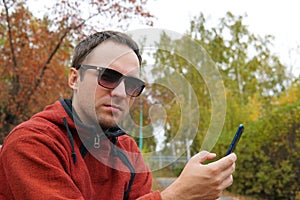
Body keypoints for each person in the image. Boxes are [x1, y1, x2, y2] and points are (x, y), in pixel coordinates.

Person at [0, 30, 236, 200]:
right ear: (74, 79)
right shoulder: (32, 142)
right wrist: (176, 195)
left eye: (132, 84)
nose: (121, 93)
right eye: (108, 77)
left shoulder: (128, 151)